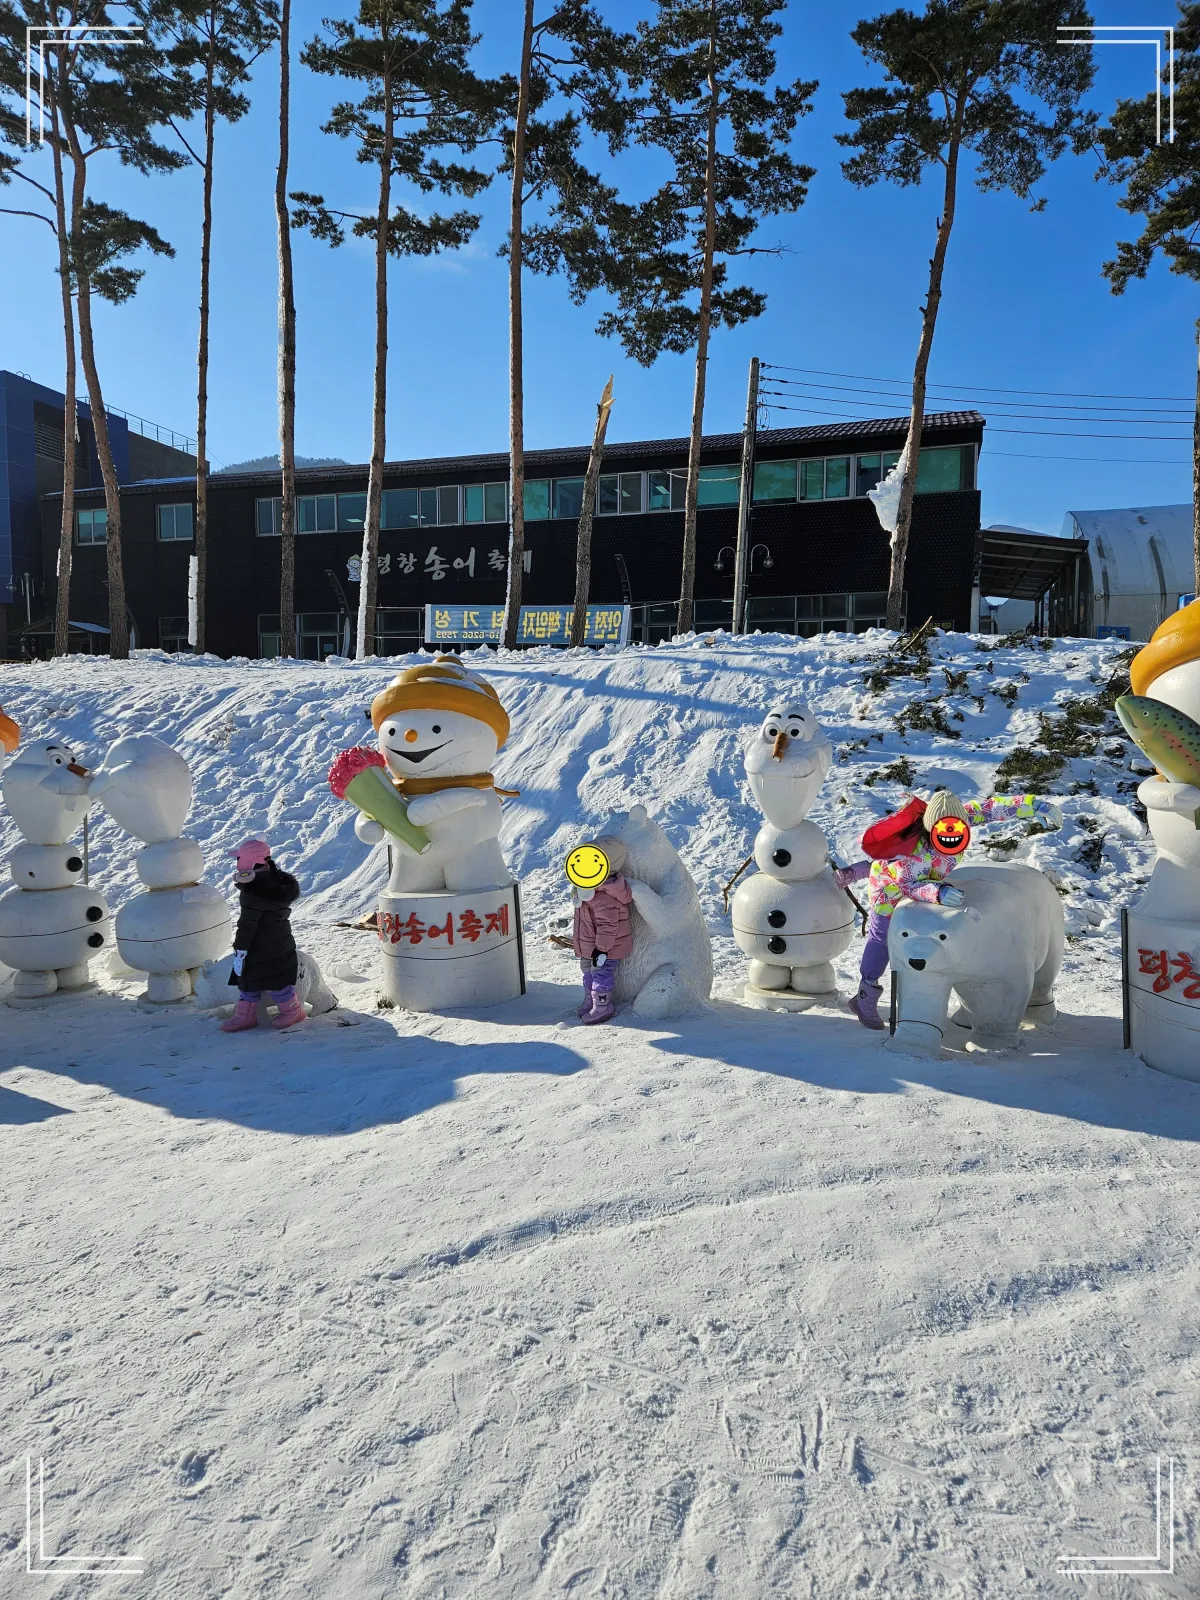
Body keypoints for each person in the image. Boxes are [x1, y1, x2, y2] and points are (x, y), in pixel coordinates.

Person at [836, 789, 1063, 1031]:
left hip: (928, 875)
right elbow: (908, 884)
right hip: (890, 887)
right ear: (932, 829)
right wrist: (937, 892)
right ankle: (865, 993)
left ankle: (854, 871)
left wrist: (1036, 805)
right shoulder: (916, 856)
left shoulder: (958, 820)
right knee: (882, 938)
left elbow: (994, 807)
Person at [221, 839, 305, 1032]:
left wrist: (240, 950)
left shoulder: (254, 892)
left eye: (239, 859)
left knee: (272, 981)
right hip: (279, 942)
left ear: (248, 864)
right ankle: (246, 1016)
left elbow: (247, 925)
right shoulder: (274, 883)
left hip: (261, 945)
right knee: (260, 979)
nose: (237, 863)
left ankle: (293, 1011)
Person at [570, 835, 634, 1025]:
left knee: (601, 974)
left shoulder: (605, 894)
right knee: (587, 971)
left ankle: (603, 1005)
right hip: (589, 945)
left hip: (604, 948)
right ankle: (591, 1000)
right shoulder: (587, 889)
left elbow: (608, 926)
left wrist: (602, 949)